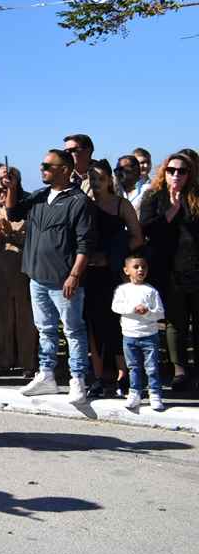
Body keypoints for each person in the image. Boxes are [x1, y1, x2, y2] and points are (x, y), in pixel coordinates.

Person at [3, 149, 95, 404]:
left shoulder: (78, 201)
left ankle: (78, 379)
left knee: (73, 331)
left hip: (64, 280)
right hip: (37, 277)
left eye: (47, 166)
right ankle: (46, 375)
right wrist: (11, 188)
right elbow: (13, 213)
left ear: (64, 170)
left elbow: (85, 244)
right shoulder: (40, 196)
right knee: (45, 330)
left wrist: (74, 275)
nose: (42, 169)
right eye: (42, 165)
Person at [139, 152, 199, 393]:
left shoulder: (195, 196)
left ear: (189, 174)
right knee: (176, 322)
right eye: (171, 170)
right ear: (163, 172)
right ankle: (179, 370)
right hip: (169, 269)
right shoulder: (154, 196)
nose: (176, 175)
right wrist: (172, 210)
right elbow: (146, 229)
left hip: (195, 266)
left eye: (182, 171)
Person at [83, 160, 144, 398]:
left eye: (100, 178)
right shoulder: (85, 205)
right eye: (92, 178)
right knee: (94, 326)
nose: (96, 183)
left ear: (109, 179)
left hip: (114, 273)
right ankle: (99, 378)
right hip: (90, 274)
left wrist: (112, 257)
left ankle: (123, 376)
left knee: (117, 326)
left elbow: (137, 238)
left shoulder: (121, 205)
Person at [0, 166, 39, 377]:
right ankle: (5, 361)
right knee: (3, 320)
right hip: (0, 276)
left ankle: (28, 364)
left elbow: (34, 242)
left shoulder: (27, 212)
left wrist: (12, 236)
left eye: (3, 190)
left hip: (23, 275)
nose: (0, 194)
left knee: (25, 321)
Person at [111, 253, 166, 411]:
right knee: (133, 367)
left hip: (149, 336)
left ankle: (155, 394)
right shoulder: (122, 290)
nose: (140, 270)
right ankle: (135, 393)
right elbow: (116, 307)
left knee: (152, 367)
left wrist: (147, 312)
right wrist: (133, 309)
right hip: (129, 336)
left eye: (143, 267)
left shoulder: (151, 291)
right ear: (126, 270)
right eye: (136, 267)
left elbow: (160, 313)